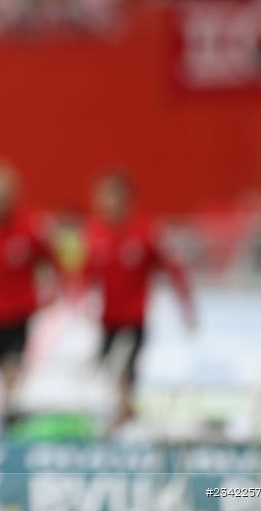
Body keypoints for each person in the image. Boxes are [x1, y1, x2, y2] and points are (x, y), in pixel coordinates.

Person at [82, 171, 196, 430]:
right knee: (104, 365)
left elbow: (172, 268)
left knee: (126, 365)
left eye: (110, 196)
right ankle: (123, 411)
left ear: (125, 198)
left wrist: (186, 306)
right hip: (107, 316)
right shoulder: (94, 232)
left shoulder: (147, 231)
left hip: (134, 316)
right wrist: (80, 300)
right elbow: (85, 273)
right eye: (101, 197)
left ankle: (124, 415)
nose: (105, 203)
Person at [0, 164, 58, 427]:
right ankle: (7, 405)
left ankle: (8, 405)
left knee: (13, 362)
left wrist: (52, 291)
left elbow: (50, 260)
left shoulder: (30, 228)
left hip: (20, 310)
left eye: (3, 198)